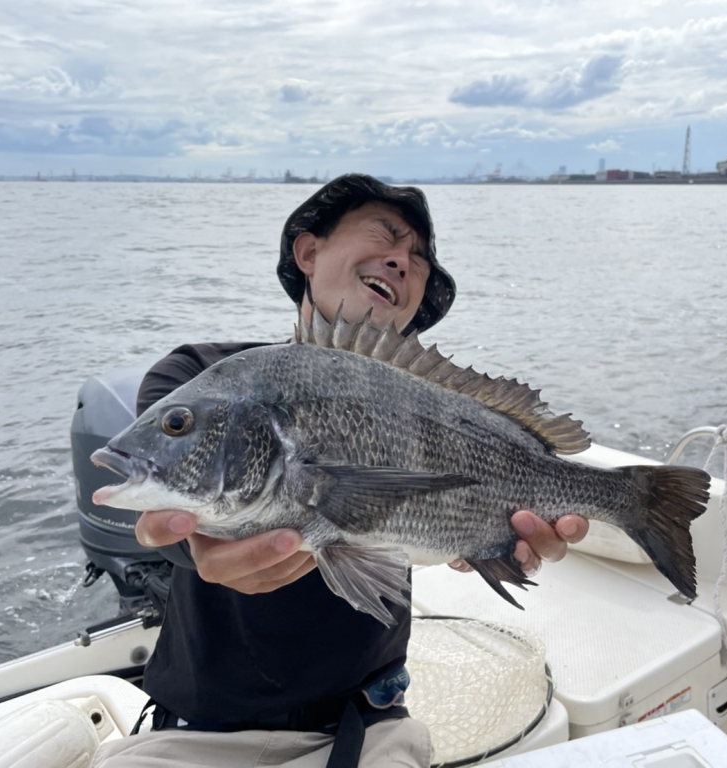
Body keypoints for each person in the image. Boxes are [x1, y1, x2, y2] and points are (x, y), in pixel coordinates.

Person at [91, 174, 589, 768]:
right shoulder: (198, 377)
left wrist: (485, 541)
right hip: (193, 732)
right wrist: (188, 541)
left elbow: (426, 521)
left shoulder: (435, 408)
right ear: (309, 251)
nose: (403, 260)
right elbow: (176, 526)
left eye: (420, 259)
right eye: (386, 235)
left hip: (368, 729)